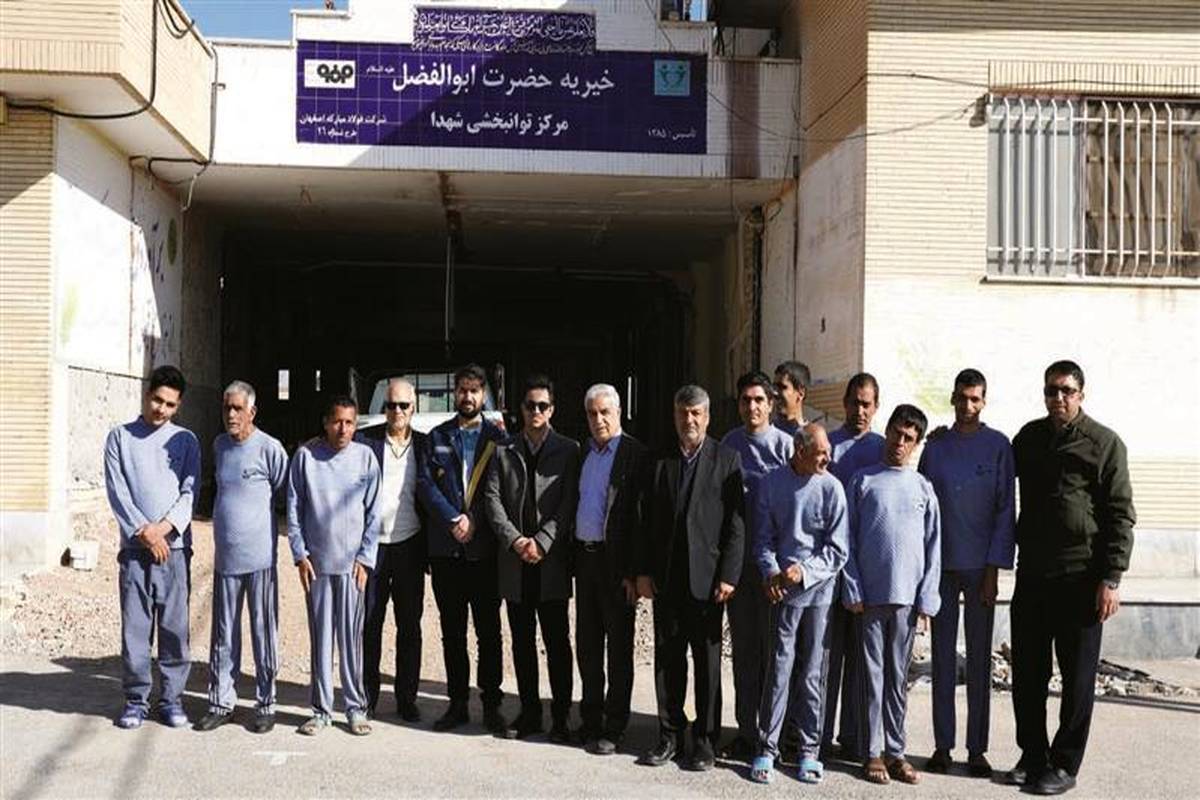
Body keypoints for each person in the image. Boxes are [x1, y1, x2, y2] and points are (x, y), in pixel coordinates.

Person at [1005, 360, 1135, 796]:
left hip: (1081, 578)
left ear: (1081, 394)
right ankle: (1033, 755)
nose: (1058, 398)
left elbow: (1120, 515)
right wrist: (950, 438)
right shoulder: (1029, 439)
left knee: (1077, 679)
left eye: (1066, 390)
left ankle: (1064, 764)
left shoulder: (1104, 444)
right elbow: (993, 467)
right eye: (1051, 390)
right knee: (1028, 673)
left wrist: (1111, 578)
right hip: (1034, 575)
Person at [636, 385, 745, 772]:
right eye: (683, 413)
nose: (689, 420)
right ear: (675, 416)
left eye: (696, 413)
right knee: (668, 659)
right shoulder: (658, 460)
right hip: (666, 579)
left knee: (707, 662)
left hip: (707, 581)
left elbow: (736, 525)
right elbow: (643, 519)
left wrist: (729, 575)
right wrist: (642, 571)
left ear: (707, 417)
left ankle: (705, 740)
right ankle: (669, 735)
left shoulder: (726, 459)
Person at [918, 369, 1015, 777]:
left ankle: (977, 750)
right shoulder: (936, 446)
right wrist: (922, 573)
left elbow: (1005, 510)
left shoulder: (999, 446)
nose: (967, 405)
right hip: (941, 566)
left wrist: (994, 569)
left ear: (984, 401)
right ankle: (943, 746)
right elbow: (921, 507)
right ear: (953, 398)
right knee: (941, 658)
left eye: (975, 399)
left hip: (980, 569)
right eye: (961, 397)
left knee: (978, 660)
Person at [843, 404, 941, 785]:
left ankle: (896, 751)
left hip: (906, 600)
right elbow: (847, 539)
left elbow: (933, 547)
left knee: (898, 678)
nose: (900, 442)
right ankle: (872, 752)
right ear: (887, 431)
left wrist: (927, 598)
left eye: (909, 438)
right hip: (869, 597)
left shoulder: (923, 488)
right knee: (872, 676)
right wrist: (852, 585)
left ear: (916, 444)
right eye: (897, 433)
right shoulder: (863, 481)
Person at [749, 423, 848, 785]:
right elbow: (762, 539)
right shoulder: (772, 484)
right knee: (778, 670)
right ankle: (767, 747)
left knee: (812, 673)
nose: (827, 459)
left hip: (819, 594)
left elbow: (838, 550)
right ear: (800, 451)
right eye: (820, 453)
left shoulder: (832, 488)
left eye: (828, 452)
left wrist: (804, 572)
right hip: (783, 595)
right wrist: (772, 573)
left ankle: (809, 750)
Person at [483, 374, 580, 742]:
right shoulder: (503, 451)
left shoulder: (569, 450)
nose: (536, 411)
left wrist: (542, 541)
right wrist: (516, 541)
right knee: (521, 642)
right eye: (530, 405)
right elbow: (492, 500)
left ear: (552, 410)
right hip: (516, 562)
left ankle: (561, 716)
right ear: (520, 409)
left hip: (550, 562)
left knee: (557, 643)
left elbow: (569, 501)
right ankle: (530, 712)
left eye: (542, 405)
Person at [104, 365, 200, 730]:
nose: (161, 409)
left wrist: (163, 531)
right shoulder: (120, 438)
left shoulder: (186, 441)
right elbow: (118, 491)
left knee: (174, 630)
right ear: (147, 395)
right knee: (135, 629)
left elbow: (190, 492)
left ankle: (172, 700)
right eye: (157, 400)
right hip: (135, 550)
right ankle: (136, 701)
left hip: (174, 550)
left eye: (170, 405)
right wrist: (144, 533)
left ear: (179, 405)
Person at [417, 363, 509, 734]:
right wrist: (453, 519)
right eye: (462, 390)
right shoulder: (436, 436)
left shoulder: (498, 439)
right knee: (452, 632)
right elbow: (425, 484)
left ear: (484, 394)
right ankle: (457, 704)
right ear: (454, 393)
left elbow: (502, 489)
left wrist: (475, 521)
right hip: (447, 550)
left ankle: (492, 705)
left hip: (484, 550)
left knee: (489, 632)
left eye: (474, 390)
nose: (468, 397)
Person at [196, 381, 288, 734]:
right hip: (226, 561)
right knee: (223, 635)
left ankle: (266, 704)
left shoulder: (269, 448)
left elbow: (286, 493)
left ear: (252, 411)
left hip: (260, 561)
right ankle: (221, 703)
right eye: (226, 408)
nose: (231, 415)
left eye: (237, 408)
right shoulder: (219, 446)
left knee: (264, 634)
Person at [286, 395, 381, 736]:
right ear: (326, 423)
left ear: (356, 425)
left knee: (352, 642)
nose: (343, 429)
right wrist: (300, 554)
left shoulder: (365, 458)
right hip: (318, 567)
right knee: (321, 640)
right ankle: (321, 710)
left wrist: (365, 559)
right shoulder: (306, 457)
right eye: (337, 422)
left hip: (352, 568)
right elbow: (294, 508)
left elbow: (374, 513)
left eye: (350, 423)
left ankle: (355, 708)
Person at [717, 371, 794, 761]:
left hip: (776, 570)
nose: (752, 407)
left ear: (771, 404)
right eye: (746, 400)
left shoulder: (786, 447)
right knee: (745, 653)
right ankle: (747, 733)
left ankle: (774, 736)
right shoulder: (729, 445)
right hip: (739, 567)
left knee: (774, 655)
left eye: (759, 400)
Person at [573, 383, 649, 756]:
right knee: (587, 646)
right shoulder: (583, 453)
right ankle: (590, 718)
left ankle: (614, 725)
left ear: (618, 412)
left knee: (618, 649)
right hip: (585, 560)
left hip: (617, 566)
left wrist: (634, 571)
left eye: (605, 412)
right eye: (592, 413)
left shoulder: (635, 455)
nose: (599, 419)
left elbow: (641, 519)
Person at [358, 379, 429, 722]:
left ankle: (406, 699)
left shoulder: (426, 445)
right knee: (370, 624)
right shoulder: (365, 442)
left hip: (410, 546)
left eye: (403, 405)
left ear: (414, 408)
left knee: (409, 626)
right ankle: (366, 698)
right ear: (383, 408)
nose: (397, 411)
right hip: (373, 548)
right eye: (391, 405)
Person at [822, 372, 885, 760]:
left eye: (867, 404)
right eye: (854, 403)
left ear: (876, 407)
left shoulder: (883, 448)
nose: (860, 410)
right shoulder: (828, 445)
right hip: (829, 568)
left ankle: (856, 737)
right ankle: (818, 737)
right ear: (844, 404)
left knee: (863, 661)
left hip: (869, 569)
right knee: (827, 656)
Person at [772, 360, 825, 436]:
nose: (775, 392)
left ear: (801, 394)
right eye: (774, 387)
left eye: (782, 387)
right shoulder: (765, 432)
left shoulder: (813, 436)